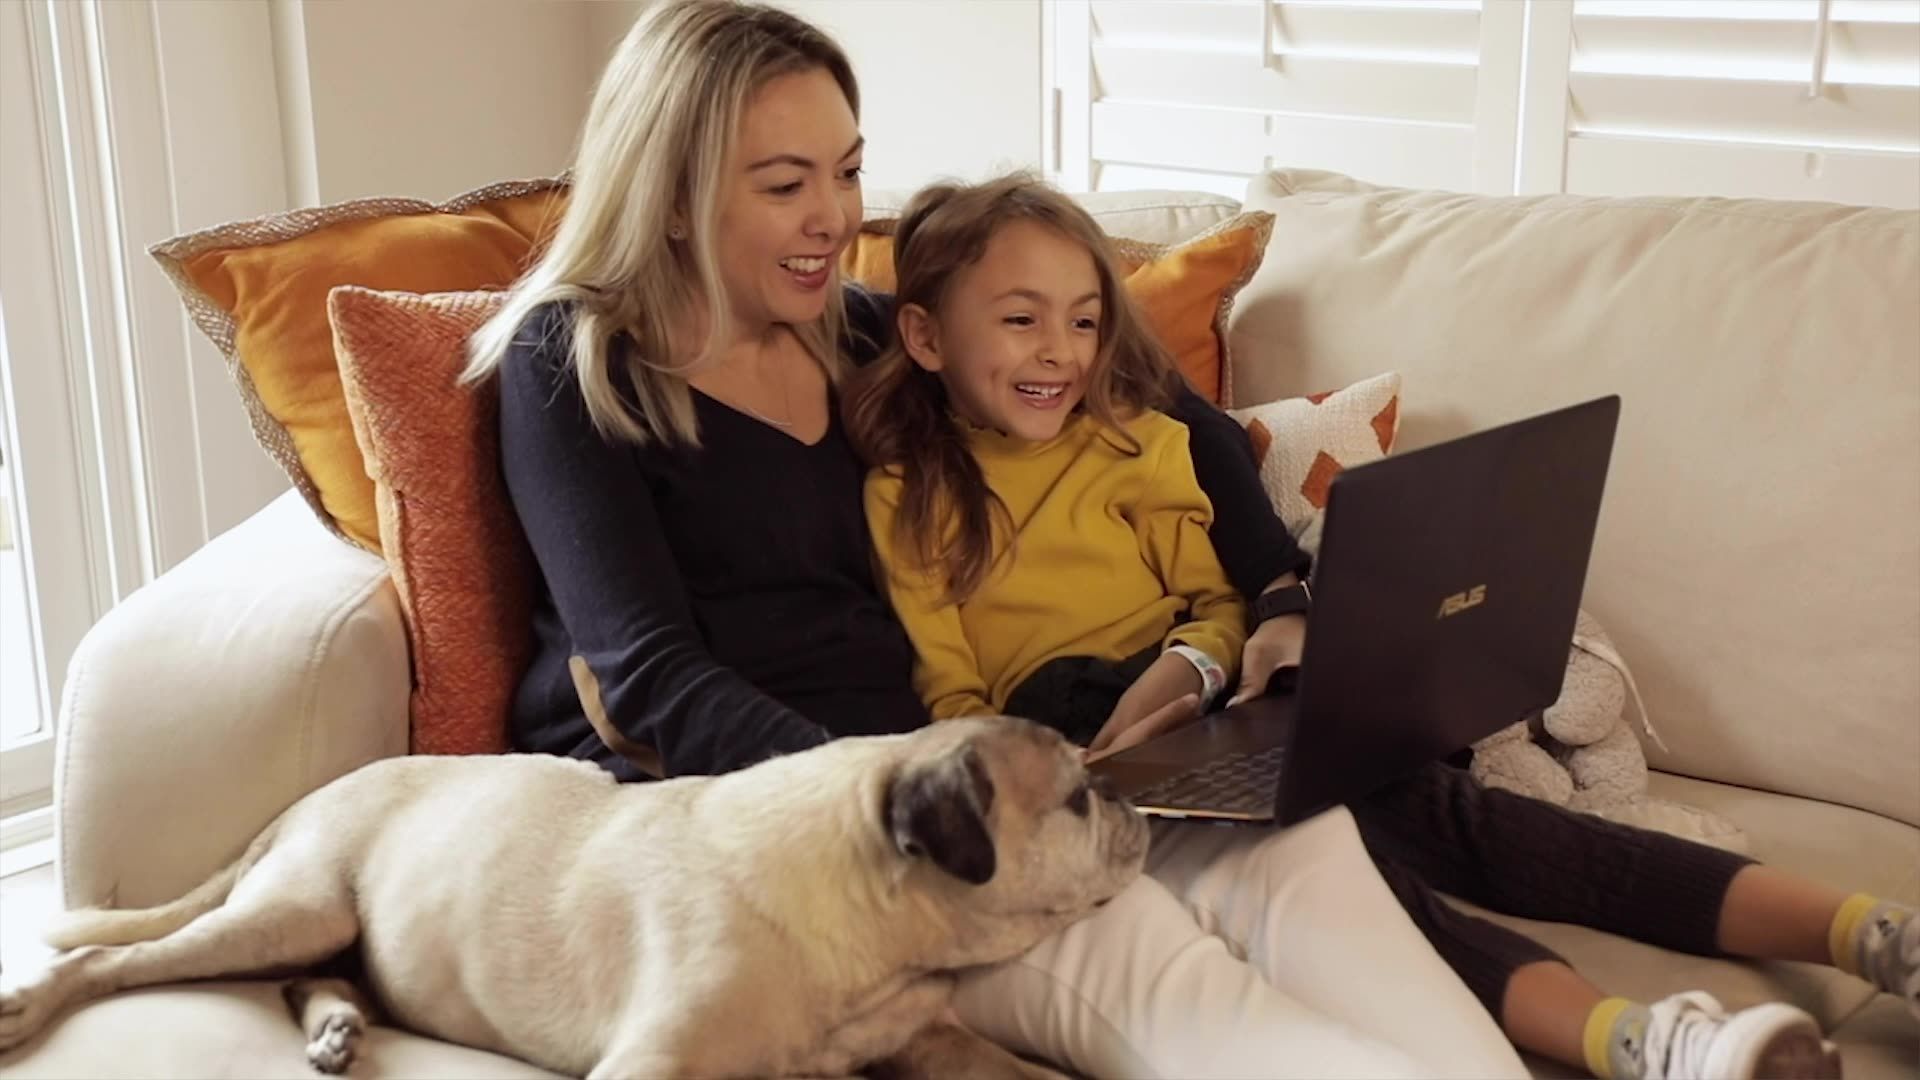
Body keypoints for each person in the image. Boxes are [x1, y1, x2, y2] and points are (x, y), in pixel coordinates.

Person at [463, 2, 1523, 1076]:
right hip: (805, 835)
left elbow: (1177, 415)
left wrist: (1281, 595)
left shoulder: (865, 330)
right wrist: (906, 801)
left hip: (974, 774)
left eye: (847, 170)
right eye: (786, 185)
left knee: (1303, 855)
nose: (834, 216)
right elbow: (647, 677)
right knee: (1162, 967)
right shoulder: (576, 363)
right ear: (673, 196)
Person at [839, 171, 1920, 1080]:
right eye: (1020, 319)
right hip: (1080, 761)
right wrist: (1051, 768)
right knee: (1373, 893)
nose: (1060, 352)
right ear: (925, 335)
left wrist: (1194, 670)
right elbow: (950, 702)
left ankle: (1871, 931)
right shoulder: (906, 496)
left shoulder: (1141, 448)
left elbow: (1217, 601)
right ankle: (1642, 1041)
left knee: (1489, 828)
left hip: (1218, 709)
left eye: (1083, 320)